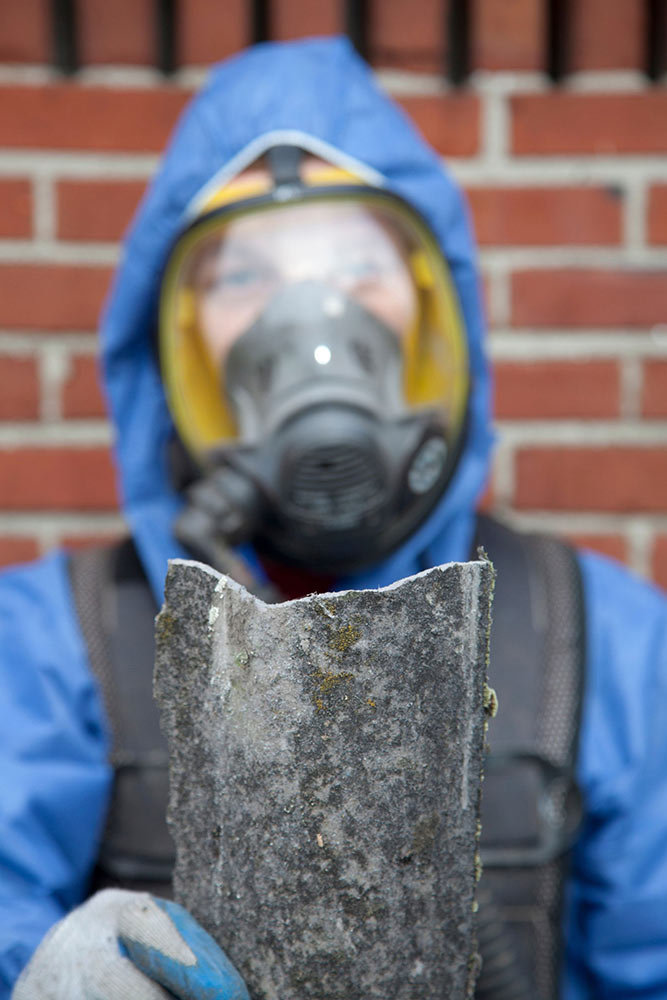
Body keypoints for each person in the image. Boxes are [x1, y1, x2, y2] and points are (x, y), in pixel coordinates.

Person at [1, 36, 666, 1000]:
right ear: (171, 350)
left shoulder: (608, 645)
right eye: (241, 277)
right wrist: (33, 972)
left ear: (436, 320)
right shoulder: (47, 648)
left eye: (358, 269)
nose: (308, 320)